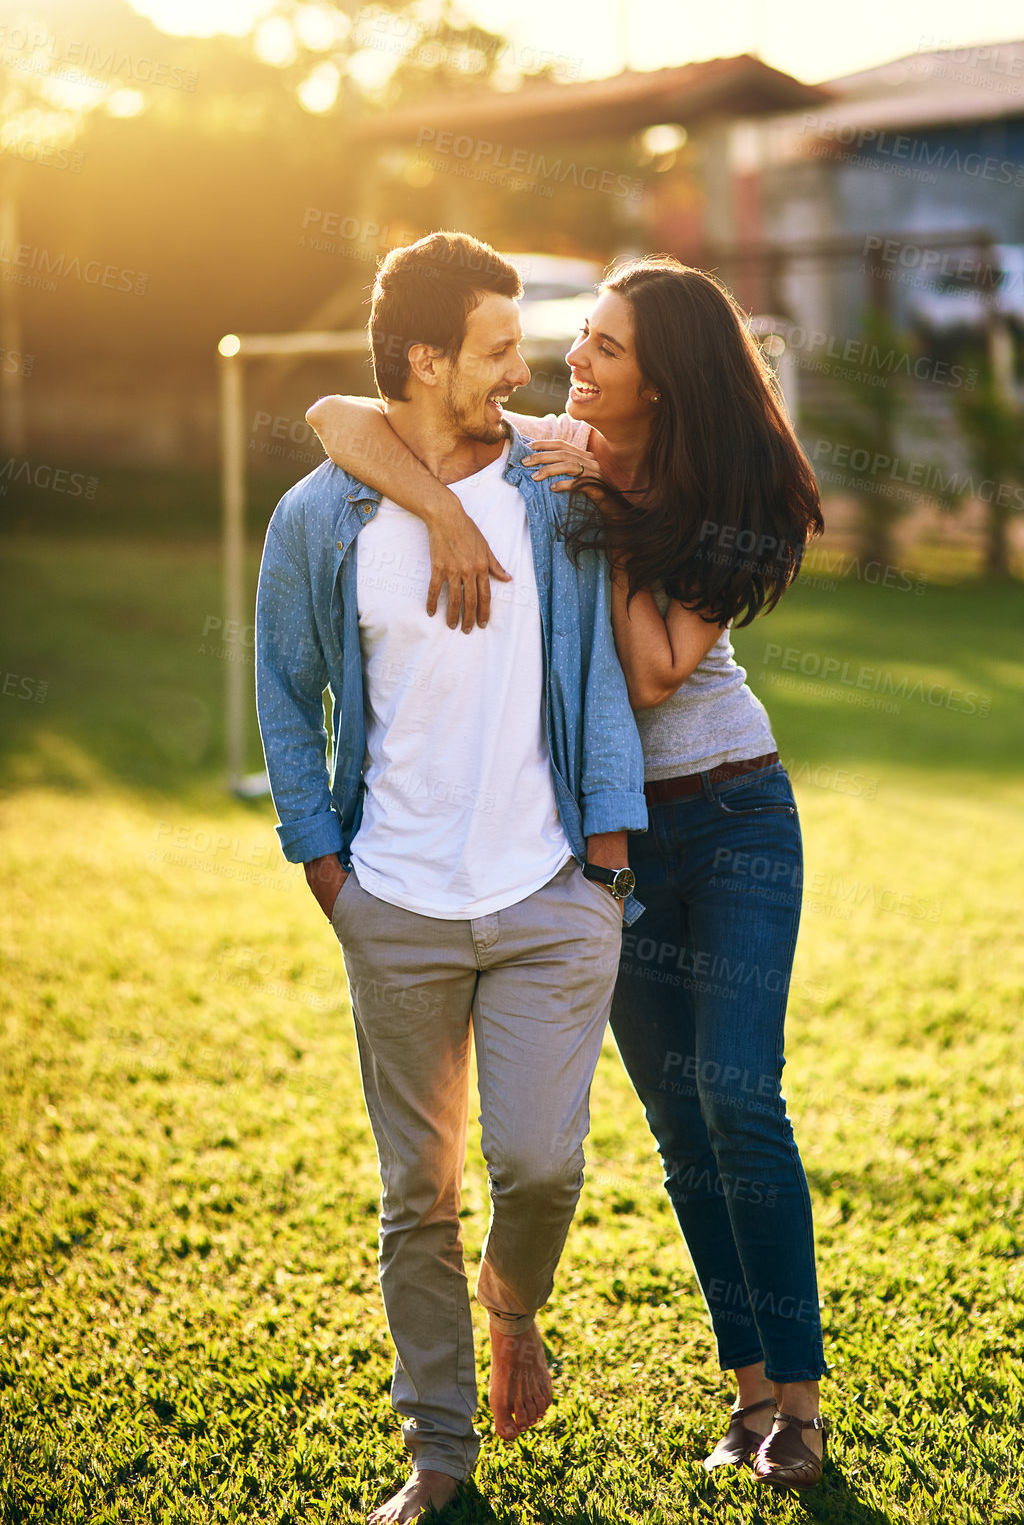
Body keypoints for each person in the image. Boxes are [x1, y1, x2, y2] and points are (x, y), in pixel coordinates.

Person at [307, 253, 829, 1492]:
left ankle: (799, 1411)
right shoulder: (554, 437)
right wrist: (440, 508)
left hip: (739, 817)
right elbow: (335, 421)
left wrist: (602, 498)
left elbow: (652, 669)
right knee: (680, 1128)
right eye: (578, 338)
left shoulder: (719, 492)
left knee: (741, 1098)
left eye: (602, 348)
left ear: (666, 382)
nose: (570, 364)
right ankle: (748, 1396)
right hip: (619, 835)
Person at [256, 231, 647, 1525]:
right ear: (424, 357)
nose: (522, 366)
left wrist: (604, 860)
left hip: (547, 893)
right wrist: (326, 868)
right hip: (395, 903)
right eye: (494, 346)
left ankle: (512, 1304)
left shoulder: (549, 480)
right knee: (414, 1193)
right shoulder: (321, 514)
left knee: (537, 1163)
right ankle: (438, 1452)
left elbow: (594, 668)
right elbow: (283, 692)